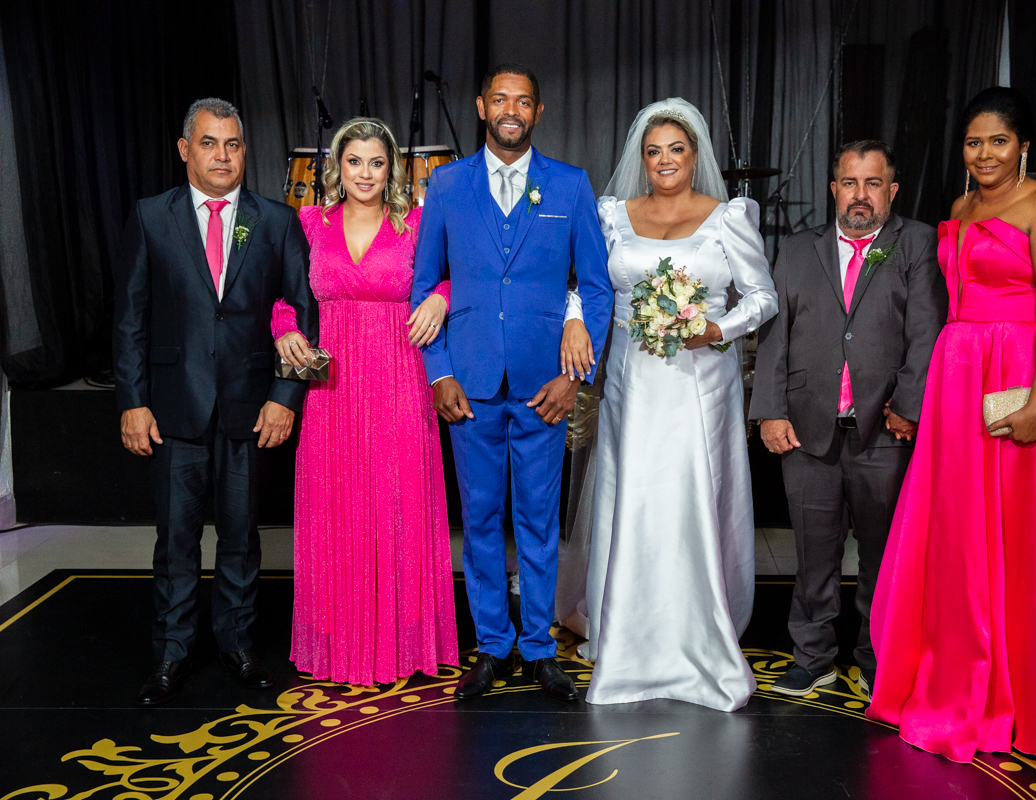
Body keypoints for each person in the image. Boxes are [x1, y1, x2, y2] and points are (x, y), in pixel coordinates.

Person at [866, 87, 1036, 762]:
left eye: (998, 141)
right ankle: (962, 677)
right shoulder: (960, 207)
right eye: (973, 142)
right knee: (960, 531)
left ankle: (1033, 689)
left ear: (1023, 146)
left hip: (1019, 372)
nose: (984, 154)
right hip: (959, 376)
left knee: (1023, 530)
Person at [410, 64, 614, 702]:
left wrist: (572, 377)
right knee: (479, 519)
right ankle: (493, 646)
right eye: (500, 99)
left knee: (538, 522)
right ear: (480, 107)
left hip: (543, 388)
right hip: (468, 386)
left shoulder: (570, 185)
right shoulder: (447, 185)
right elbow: (424, 285)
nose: (511, 110)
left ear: (538, 112)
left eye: (523, 102)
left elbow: (598, 288)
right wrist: (440, 371)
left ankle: (538, 647)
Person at [573, 98, 777, 712]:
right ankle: (626, 634)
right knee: (632, 495)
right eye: (653, 151)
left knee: (689, 498)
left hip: (700, 383)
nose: (664, 160)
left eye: (676, 150)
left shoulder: (728, 217)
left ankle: (697, 633)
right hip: (631, 382)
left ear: (695, 156)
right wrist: (576, 319)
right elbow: (584, 283)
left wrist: (717, 329)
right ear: (642, 158)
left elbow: (762, 297)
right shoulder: (612, 215)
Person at [113, 98, 318, 705]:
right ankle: (172, 654)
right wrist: (132, 401)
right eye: (208, 143)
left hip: (249, 409)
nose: (222, 156)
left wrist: (286, 395)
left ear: (244, 151)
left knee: (241, 536)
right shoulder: (151, 217)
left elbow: (302, 314)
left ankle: (237, 645)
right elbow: (130, 320)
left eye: (232, 144)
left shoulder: (277, 221)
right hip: (172, 410)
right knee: (175, 539)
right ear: (185, 150)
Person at [749, 140, 945, 700]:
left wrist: (908, 406)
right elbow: (775, 335)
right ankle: (813, 658)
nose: (861, 195)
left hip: (885, 430)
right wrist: (768, 411)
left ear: (892, 191)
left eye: (873, 183)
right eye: (850, 183)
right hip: (807, 430)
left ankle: (878, 657)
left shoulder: (917, 243)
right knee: (813, 554)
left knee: (885, 557)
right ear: (834, 189)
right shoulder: (797, 249)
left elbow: (927, 331)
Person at [269, 117, 458, 686]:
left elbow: (458, 275)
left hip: (400, 380)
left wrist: (441, 298)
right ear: (337, 167)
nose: (366, 173)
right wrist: (284, 327)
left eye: (377, 162)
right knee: (337, 510)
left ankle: (402, 643)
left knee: (398, 506)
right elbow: (282, 294)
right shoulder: (309, 222)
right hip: (332, 389)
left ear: (392, 168)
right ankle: (340, 642)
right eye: (355, 162)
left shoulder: (416, 224)